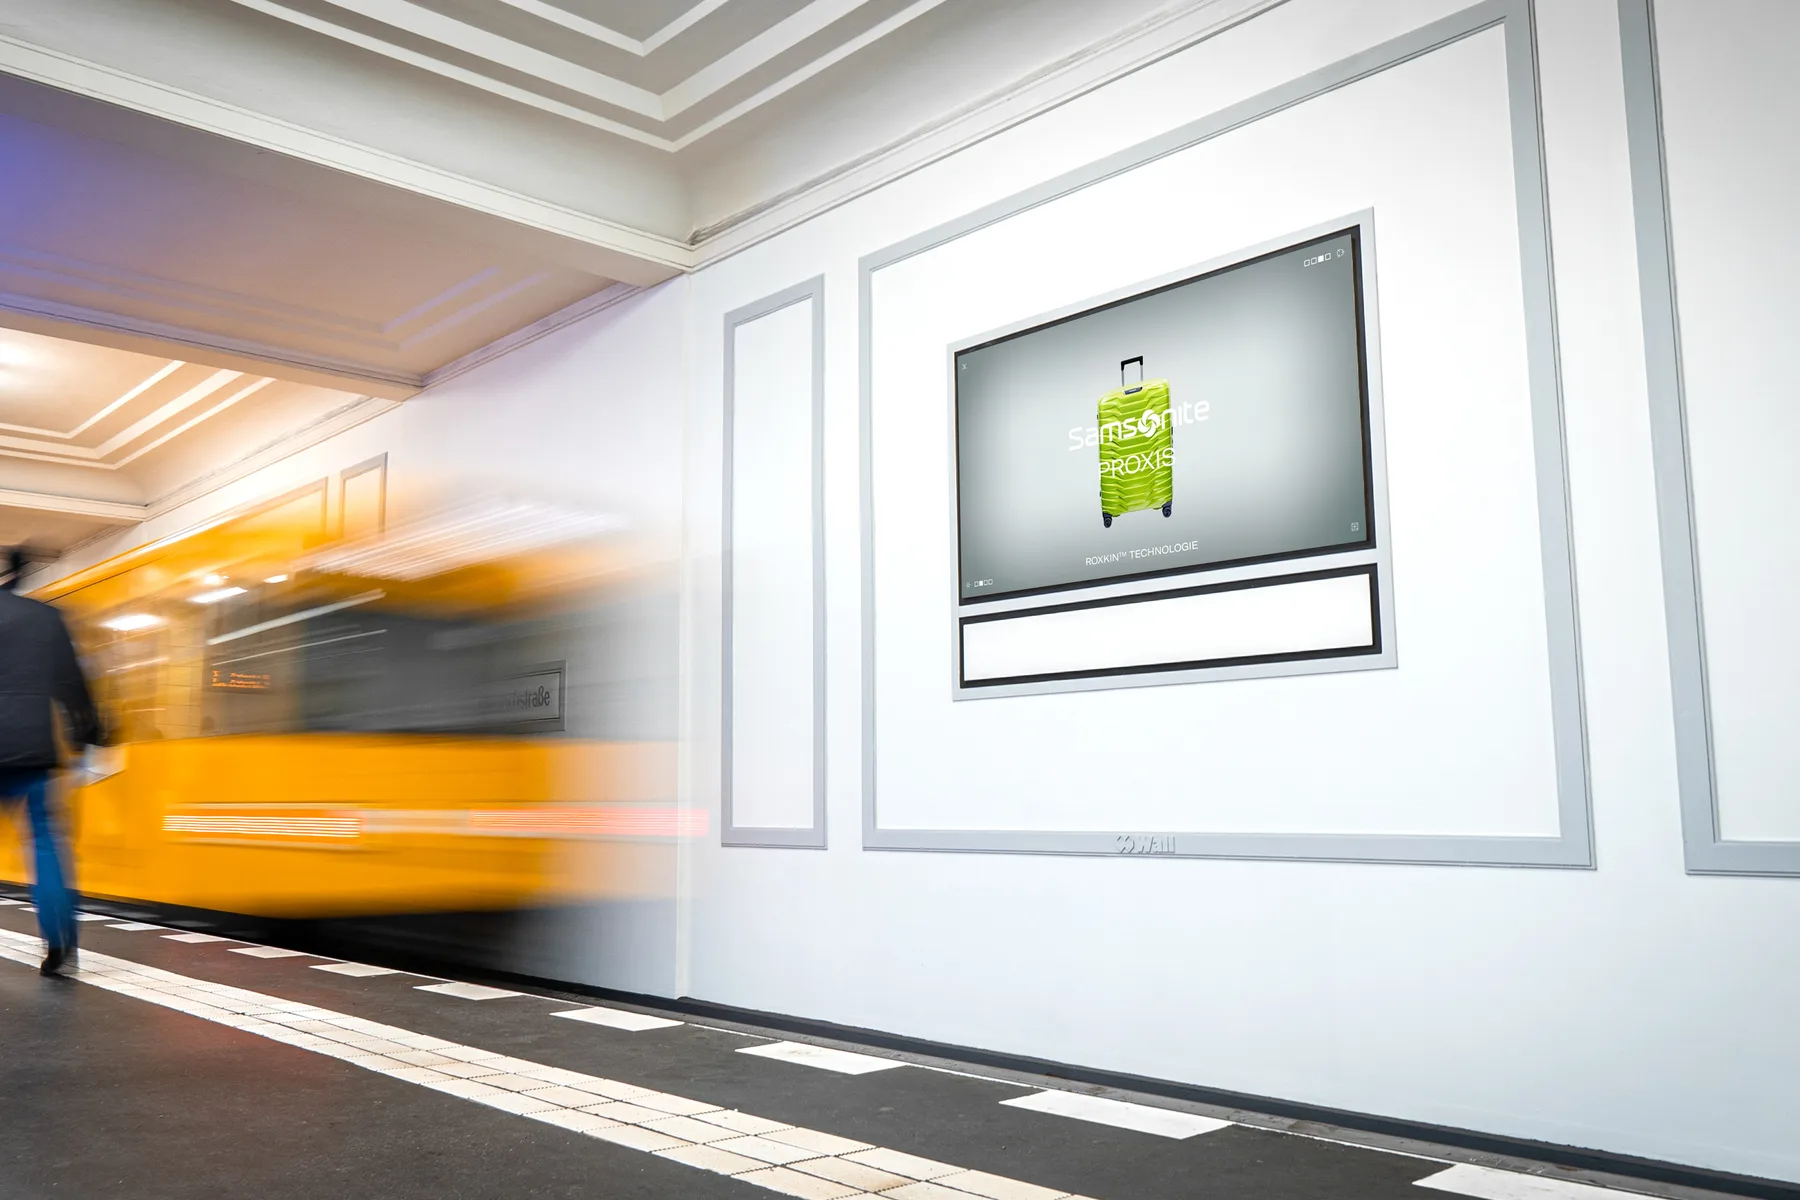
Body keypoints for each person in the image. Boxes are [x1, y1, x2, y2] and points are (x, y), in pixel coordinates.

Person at [0, 548, 103, 976]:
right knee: (45, 844)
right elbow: (72, 683)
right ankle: (60, 945)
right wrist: (91, 734)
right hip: (32, 749)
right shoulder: (44, 618)